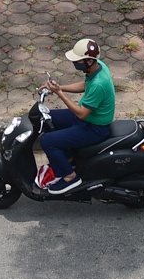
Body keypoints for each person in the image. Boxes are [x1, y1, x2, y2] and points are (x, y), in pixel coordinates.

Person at [36, 38, 114, 194]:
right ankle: (68, 160)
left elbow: (81, 113)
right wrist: (60, 87)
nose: (75, 63)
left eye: (78, 60)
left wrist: (59, 93)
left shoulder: (100, 83)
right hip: (85, 120)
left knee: (48, 141)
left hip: (93, 127)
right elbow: (85, 85)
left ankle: (70, 177)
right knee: (48, 120)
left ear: (90, 61)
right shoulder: (97, 67)